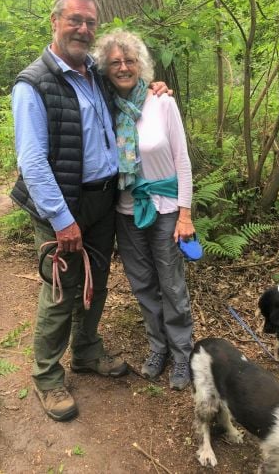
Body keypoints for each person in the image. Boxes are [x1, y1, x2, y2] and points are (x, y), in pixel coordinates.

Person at [10, 0, 169, 422]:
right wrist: (62, 219)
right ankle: (46, 376)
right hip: (62, 205)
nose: (82, 28)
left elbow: (129, 93)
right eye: (74, 20)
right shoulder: (34, 84)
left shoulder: (96, 73)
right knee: (61, 292)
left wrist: (155, 89)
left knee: (94, 283)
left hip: (104, 199)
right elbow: (32, 160)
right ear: (55, 22)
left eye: (89, 22)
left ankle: (85, 351)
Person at [94, 30, 195, 391]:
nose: (123, 67)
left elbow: (182, 160)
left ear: (141, 64)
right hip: (126, 210)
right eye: (115, 62)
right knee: (143, 285)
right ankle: (159, 348)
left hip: (166, 208)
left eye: (130, 60)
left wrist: (185, 214)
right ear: (105, 69)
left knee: (171, 283)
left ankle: (183, 353)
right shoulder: (104, 106)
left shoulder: (161, 101)